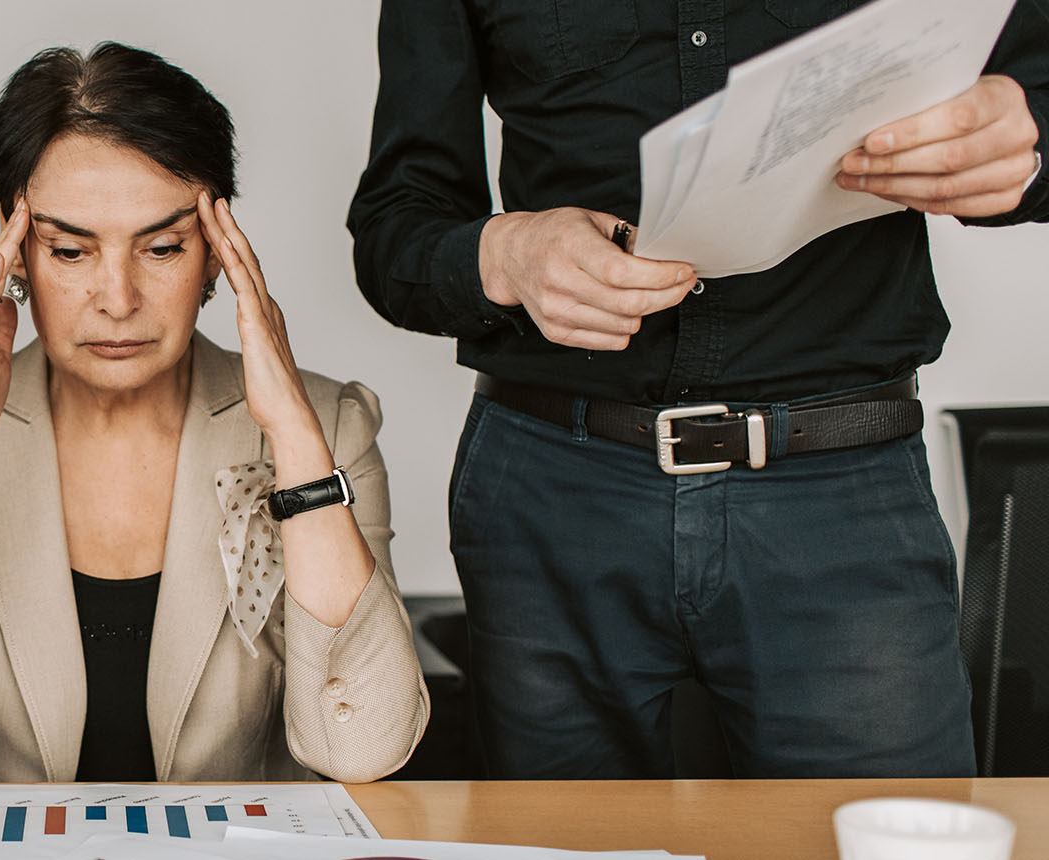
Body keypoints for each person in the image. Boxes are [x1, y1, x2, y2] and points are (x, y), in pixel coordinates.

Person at [348, 1, 1048, 779]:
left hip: (843, 498)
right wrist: (502, 254)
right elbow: (393, 228)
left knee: (893, 838)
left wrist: (1031, 143)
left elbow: (1037, 105)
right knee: (558, 841)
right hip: (553, 498)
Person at [0, 43, 425, 785]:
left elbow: (365, 751)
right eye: (69, 251)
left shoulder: (330, 427)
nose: (118, 299)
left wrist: (290, 430)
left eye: (161, 247)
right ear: (16, 246)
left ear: (219, 250)